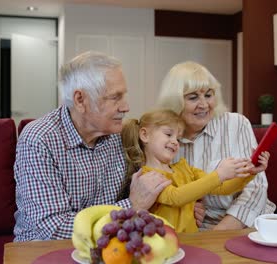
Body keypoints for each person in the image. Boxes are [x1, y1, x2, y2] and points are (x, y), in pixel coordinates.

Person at [13, 51, 171, 242]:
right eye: (115, 97)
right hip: (47, 250)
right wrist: (131, 206)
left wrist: (179, 204)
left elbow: (145, 186)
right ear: (80, 100)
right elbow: (54, 228)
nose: (126, 107)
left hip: (107, 244)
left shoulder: (118, 135)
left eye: (124, 96)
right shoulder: (39, 139)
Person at [157, 61, 275, 230]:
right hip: (192, 229)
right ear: (174, 101)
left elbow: (255, 188)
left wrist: (219, 233)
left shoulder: (236, 124)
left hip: (245, 223)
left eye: (208, 95)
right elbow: (167, 196)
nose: (204, 105)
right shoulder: (164, 138)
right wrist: (187, 209)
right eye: (193, 97)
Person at [119, 109, 262, 233]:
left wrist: (249, 173)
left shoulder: (185, 168)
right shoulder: (146, 177)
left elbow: (222, 188)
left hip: (192, 241)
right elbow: (176, 197)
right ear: (145, 135)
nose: (175, 141)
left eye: (178, 138)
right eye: (169, 134)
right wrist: (219, 174)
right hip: (164, 244)